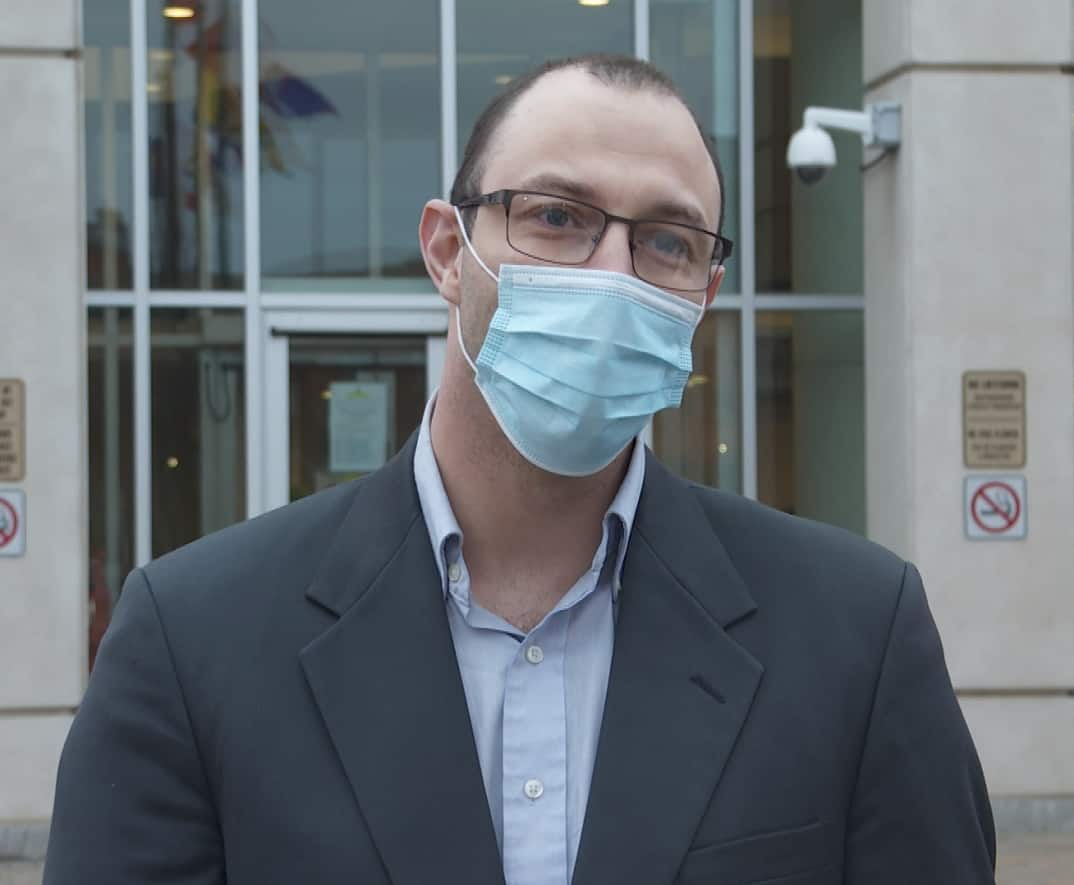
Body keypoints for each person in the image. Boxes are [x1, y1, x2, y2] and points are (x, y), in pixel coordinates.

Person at [45, 55, 995, 885]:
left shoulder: (858, 637)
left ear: (705, 294)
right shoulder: (192, 638)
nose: (612, 272)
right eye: (555, 216)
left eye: (667, 241)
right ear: (447, 251)